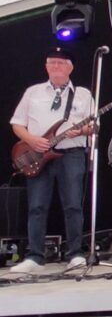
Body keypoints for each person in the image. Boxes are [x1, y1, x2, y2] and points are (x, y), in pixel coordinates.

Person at [9, 47, 94, 273]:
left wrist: (82, 130)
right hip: (37, 154)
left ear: (70, 68)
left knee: (73, 204)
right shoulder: (33, 92)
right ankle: (34, 256)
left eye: (61, 63)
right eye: (52, 62)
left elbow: (94, 126)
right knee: (37, 206)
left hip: (71, 153)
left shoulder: (83, 94)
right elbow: (17, 123)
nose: (56, 66)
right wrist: (32, 140)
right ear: (46, 66)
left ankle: (75, 253)